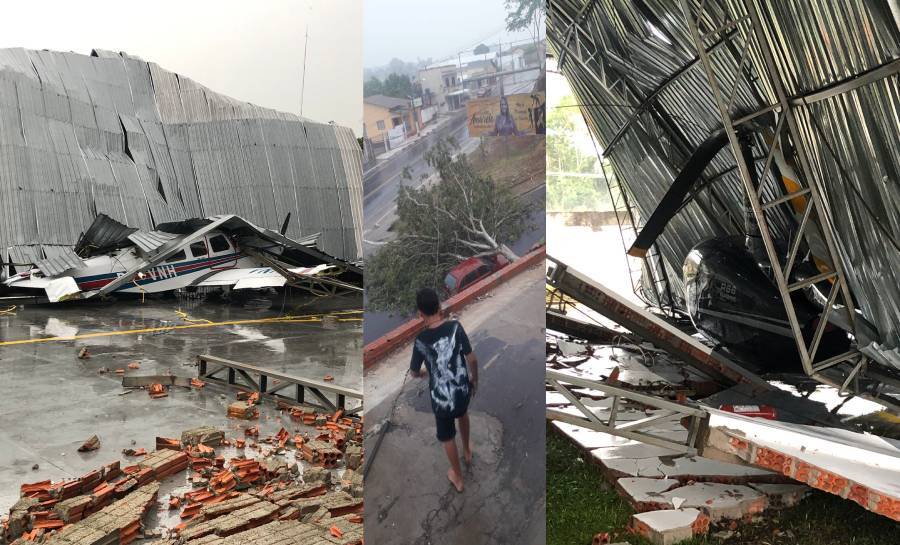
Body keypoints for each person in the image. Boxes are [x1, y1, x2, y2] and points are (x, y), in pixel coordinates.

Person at [409, 287, 478, 492]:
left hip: (441, 401)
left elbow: (413, 372)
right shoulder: (455, 327)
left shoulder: (421, 341)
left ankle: (457, 477)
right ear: (439, 307)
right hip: (462, 391)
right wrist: (475, 380)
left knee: (447, 436)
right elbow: (472, 358)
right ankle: (467, 450)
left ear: (420, 314)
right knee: (463, 413)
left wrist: (423, 373)